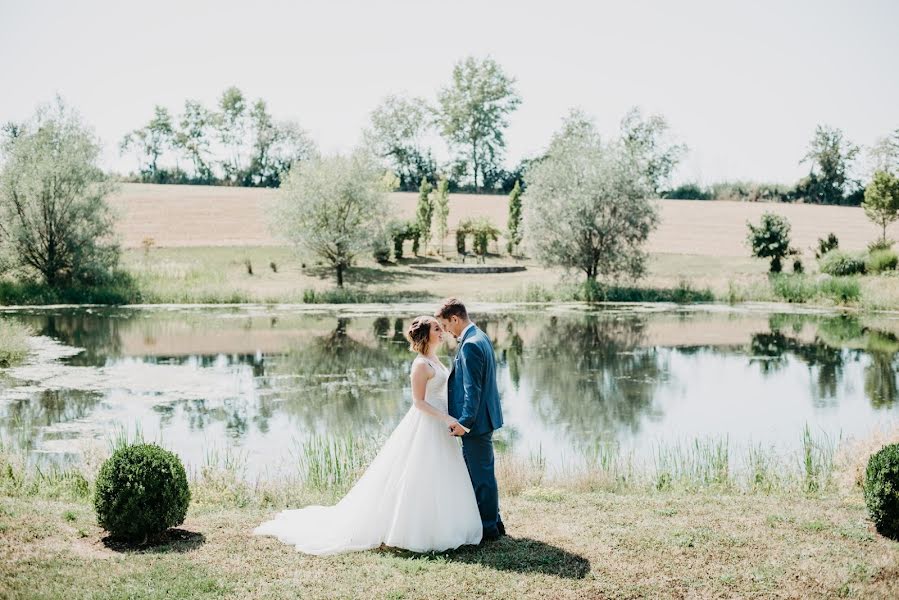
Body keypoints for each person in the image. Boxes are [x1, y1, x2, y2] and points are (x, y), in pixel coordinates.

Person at [253, 316, 482, 555]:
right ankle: (415, 529)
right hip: (429, 423)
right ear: (426, 335)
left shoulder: (435, 359)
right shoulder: (421, 365)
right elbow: (418, 402)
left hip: (442, 423)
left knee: (441, 473)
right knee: (421, 474)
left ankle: (447, 524)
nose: (442, 331)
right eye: (437, 328)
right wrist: (446, 418)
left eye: (440, 327)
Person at [435, 298, 506, 541]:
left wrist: (464, 423)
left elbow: (472, 390)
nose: (445, 331)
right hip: (485, 419)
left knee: (481, 476)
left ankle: (488, 529)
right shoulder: (480, 336)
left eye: (445, 325)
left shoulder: (470, 345)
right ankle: (494, 521)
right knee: (483, 472)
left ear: (455, 319)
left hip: (476, 423)